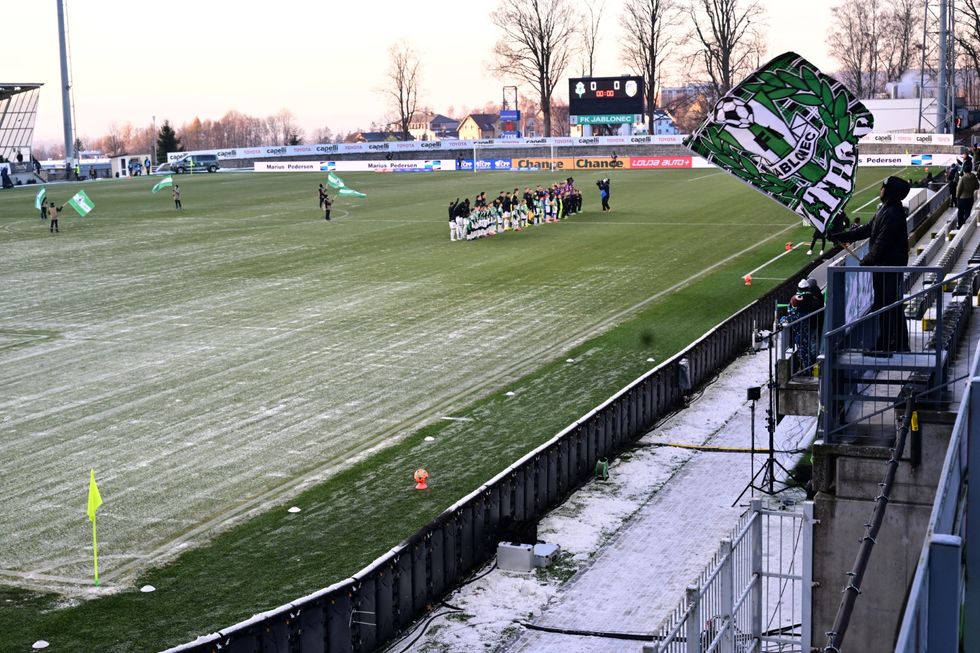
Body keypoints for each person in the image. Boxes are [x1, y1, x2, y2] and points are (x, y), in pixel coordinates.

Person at [830, 176, 911, 353]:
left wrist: (867, 260)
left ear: (890, 191)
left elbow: (882, 243)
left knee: (887, 306)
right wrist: (840, 236)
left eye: (883, 187)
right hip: (883, 266)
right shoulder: (887, 209)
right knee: (887, 305)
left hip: (887, 267)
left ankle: (889, 345)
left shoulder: (892, 213)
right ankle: (893, 344)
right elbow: (867, 230)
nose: (880, 189)